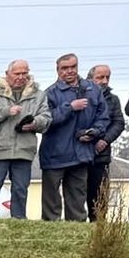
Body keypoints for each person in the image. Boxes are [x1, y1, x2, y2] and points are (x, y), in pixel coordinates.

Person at [0, 61, 48, 220]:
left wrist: (35, 123)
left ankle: (19, 220)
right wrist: (6, 111)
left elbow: (46, 117)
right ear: (7, 74)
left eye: (24, 73)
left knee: (21, 188)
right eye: (17, 73)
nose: (21, 77)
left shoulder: (39, 96)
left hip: (24, 150)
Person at [40, 54, 104, 222]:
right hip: (55, 155)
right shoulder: (49, 94)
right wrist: (70, 108)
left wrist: (94, 132)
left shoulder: (93, 90)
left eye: (73, 67)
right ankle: (51, 235)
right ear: (58, 70)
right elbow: (45, 121)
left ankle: (77, 235)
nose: (69, 71)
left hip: (81, 154)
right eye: (65, 68)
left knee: (77, 202)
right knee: (51, 203)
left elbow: (103, 117)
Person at [87, 64, 124, 220]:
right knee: (78, 193)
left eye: (107, 77)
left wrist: (105, 140)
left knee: (99, 196)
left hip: (101, 155)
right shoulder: (80, 96)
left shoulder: (113, 100)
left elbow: (118, 122)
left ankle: (98, 227)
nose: (104, 81)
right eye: (100, 77)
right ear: (90, 79)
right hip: (78, 154)